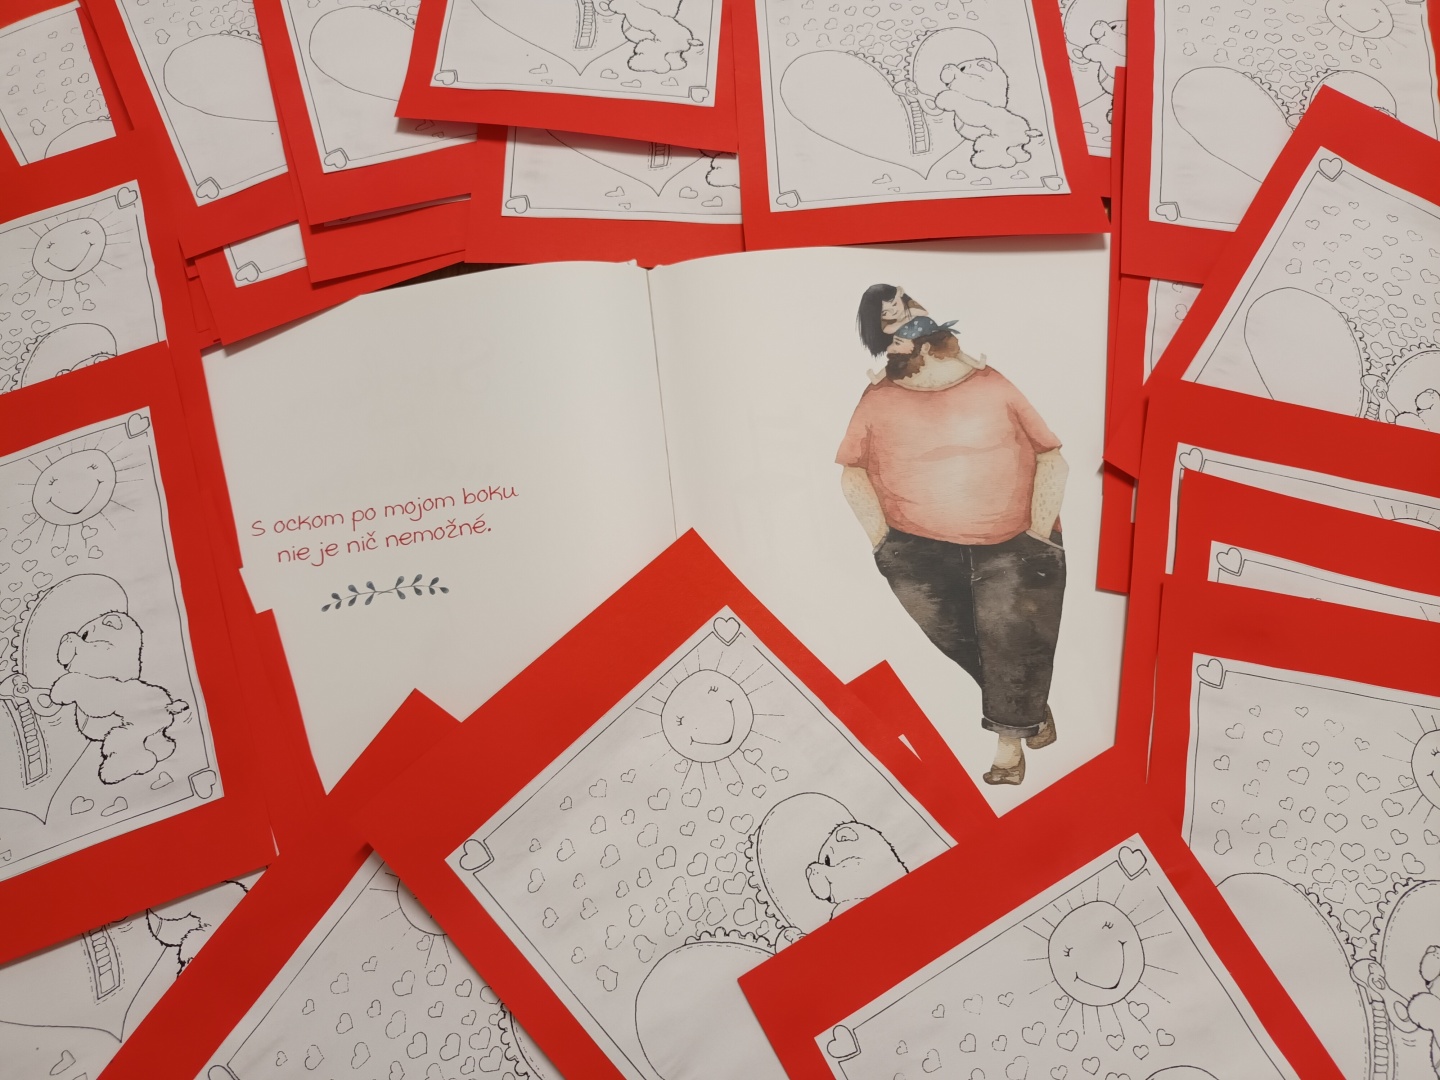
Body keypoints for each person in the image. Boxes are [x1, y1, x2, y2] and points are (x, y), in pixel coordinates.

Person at [837, 297, 1067, 785]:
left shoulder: (992, 383)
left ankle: (1008, 751)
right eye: (891, 329)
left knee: (1011, 640)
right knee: (969, 646)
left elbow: (1051, 455)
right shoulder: (877, 398)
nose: (900, 344)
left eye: (907, 329)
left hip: (1014, 543)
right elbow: (852, 471)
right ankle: (1030, 711)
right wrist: (882, 542)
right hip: (915, 552)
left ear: (930, 343)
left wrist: (1038, 536)